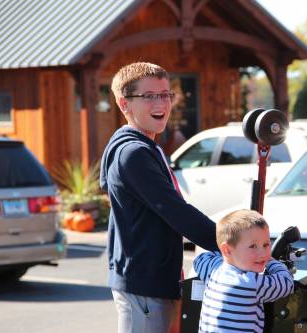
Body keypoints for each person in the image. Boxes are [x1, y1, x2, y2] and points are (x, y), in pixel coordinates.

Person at [100, 61, 218, 333]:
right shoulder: (133, 153)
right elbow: (176, 212)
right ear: (124, 104)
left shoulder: (146, 146)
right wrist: (229, 243)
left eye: (165, 94)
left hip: (155, 282)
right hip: (144, 285)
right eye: (149, 96)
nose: (161, 103)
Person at [193, 209, 295, 333]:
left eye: (266, 245)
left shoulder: (213, 269)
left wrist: (228, 256)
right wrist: (271, 261)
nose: (262, 253)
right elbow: (286, 282)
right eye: (253, 246)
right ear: (227, 250)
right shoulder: (251, 283)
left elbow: (200, 259)